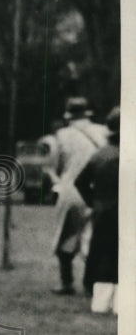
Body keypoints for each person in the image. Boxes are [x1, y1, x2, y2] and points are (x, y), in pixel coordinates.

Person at [49, 97, 109, 295]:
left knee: (67, 236)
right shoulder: (102, 131)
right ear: (87, 113)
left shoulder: (62, 135)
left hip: (71, 189)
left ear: (68, 115)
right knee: (96, 237)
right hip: (99, 190)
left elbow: (56, 165)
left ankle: (67, 281)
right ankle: (93, 282)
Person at [74, 106, 120, 314]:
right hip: (125, 213)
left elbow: (80, 182)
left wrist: (94, 202)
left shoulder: (99, 155)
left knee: (101, 253)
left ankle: (99, 301)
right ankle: (119, 302)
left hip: (103, 211)